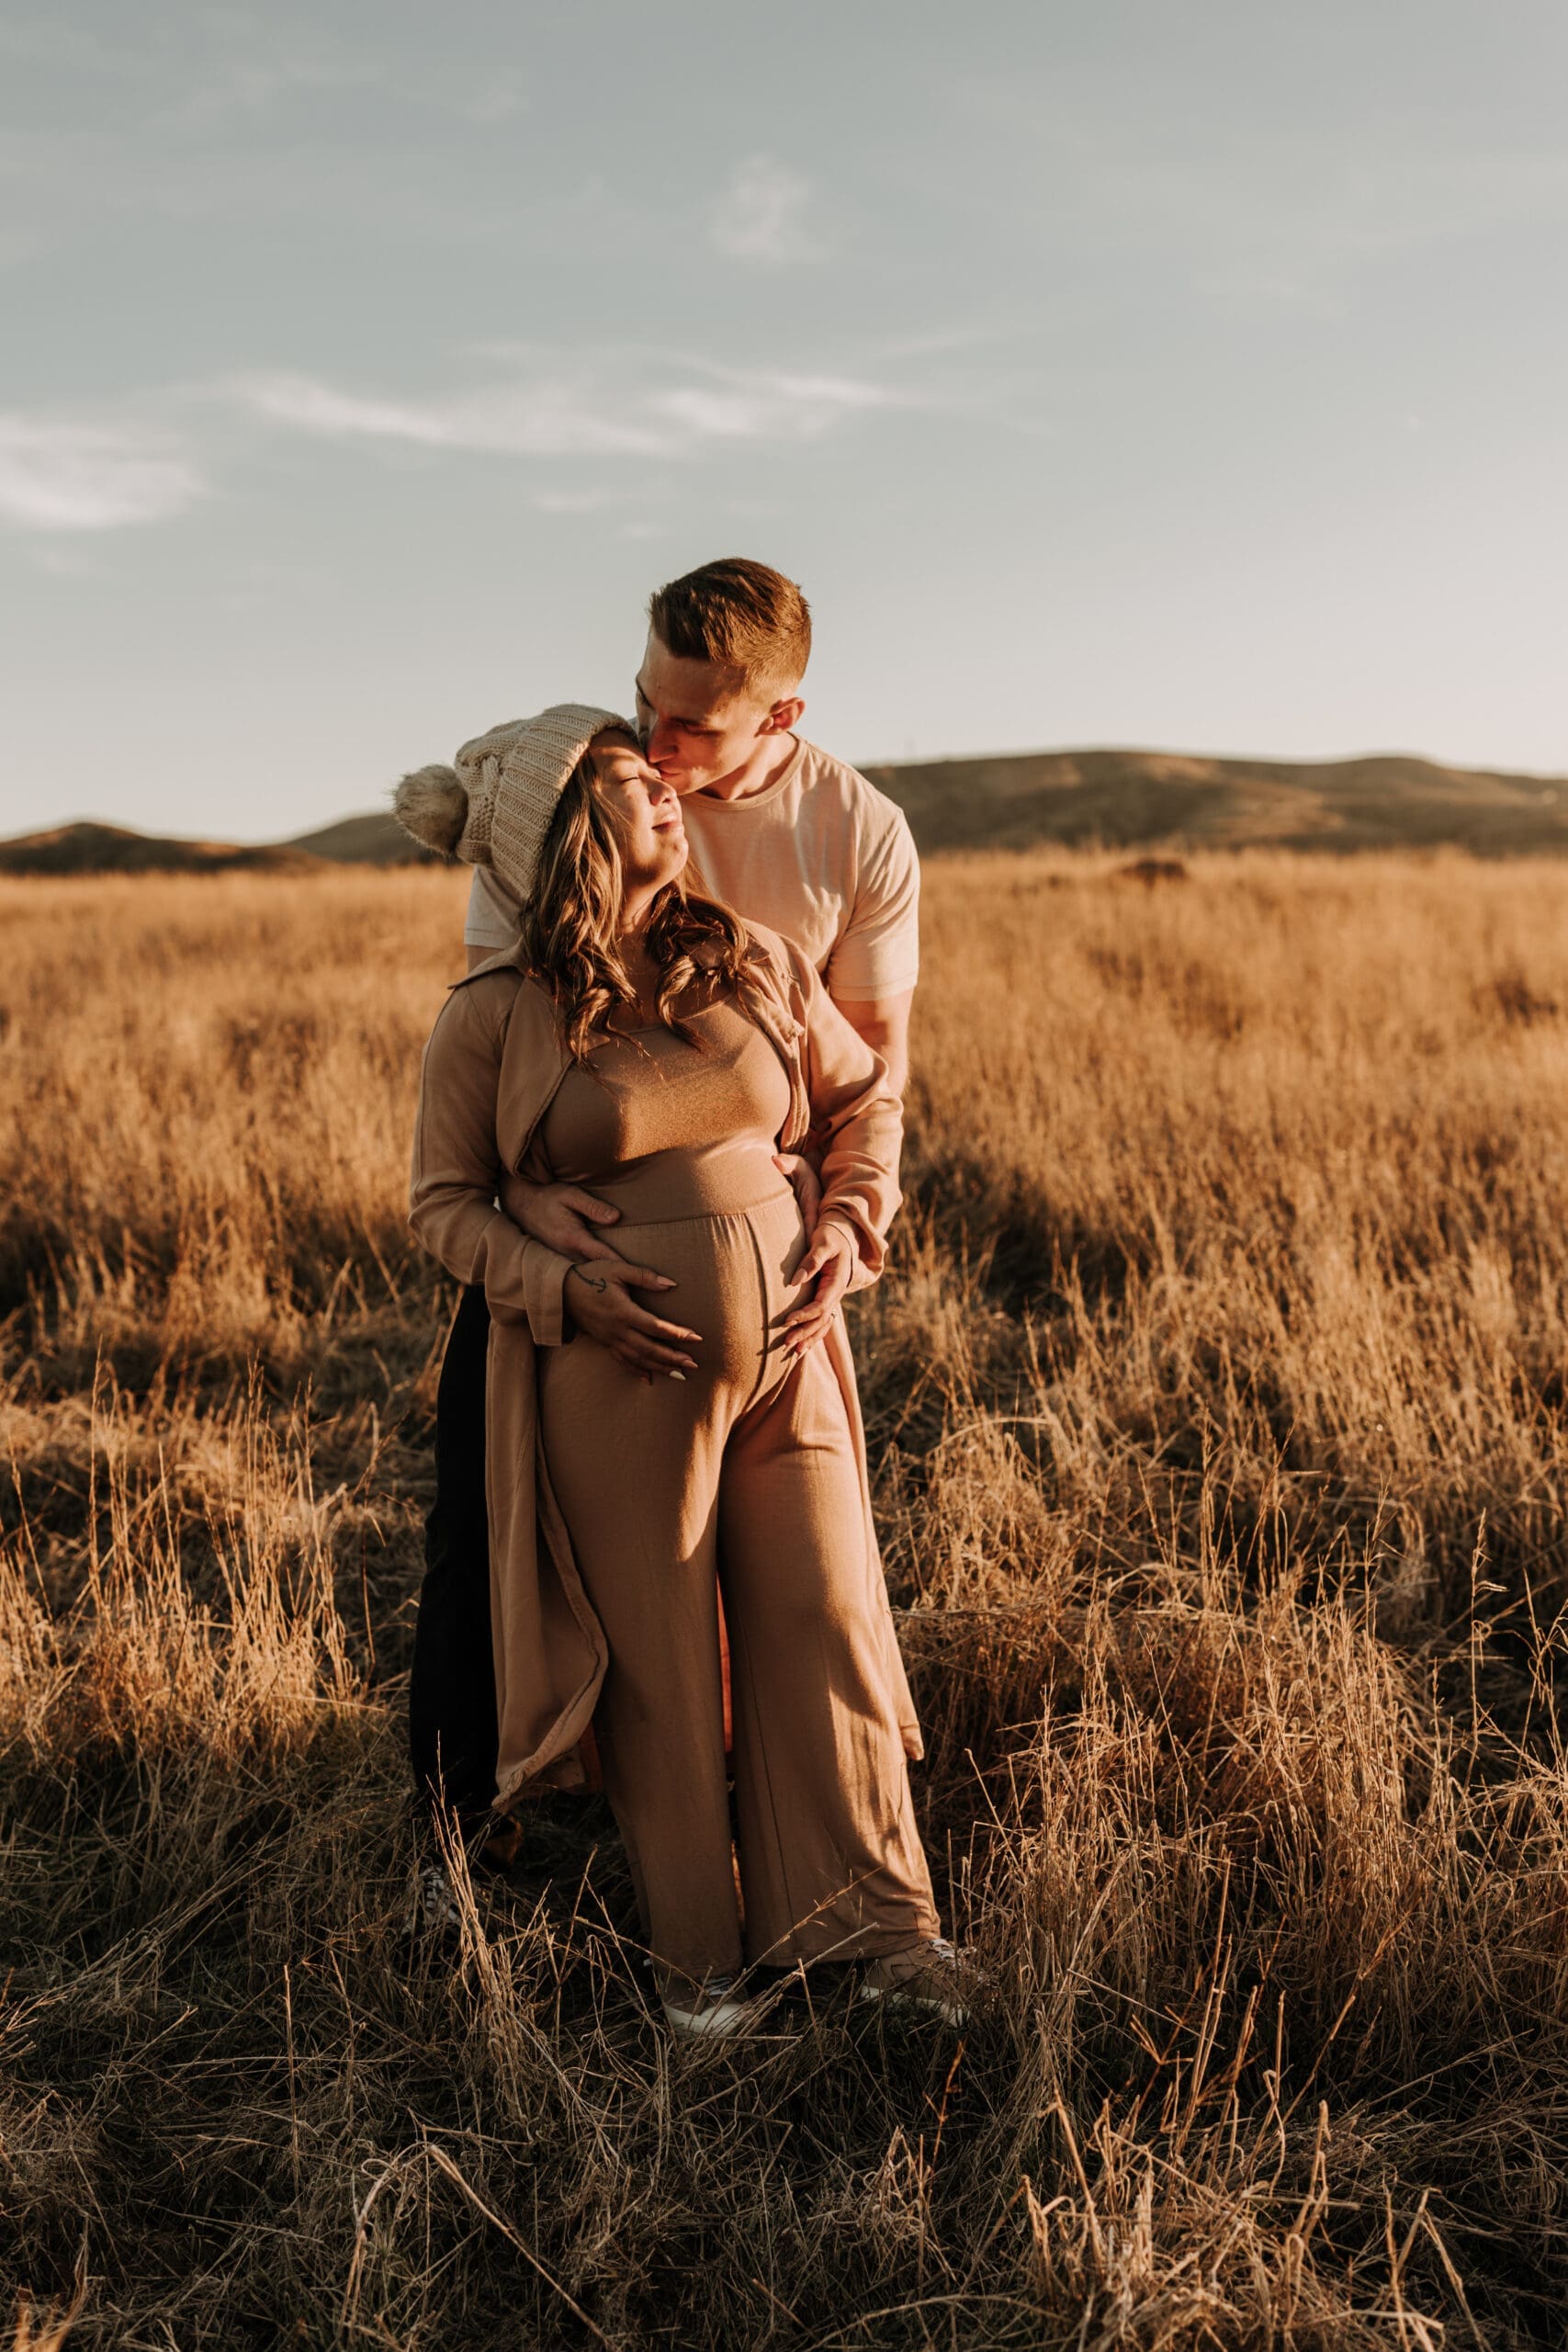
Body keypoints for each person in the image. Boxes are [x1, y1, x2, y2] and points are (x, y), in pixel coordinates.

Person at [402, 706, 961, 2033]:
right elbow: (443, 1206)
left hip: (792, 1356)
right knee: (658, 1663)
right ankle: (703, 1974)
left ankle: (878, 1935)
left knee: (822, 1616)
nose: (660, 782)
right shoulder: (494, 1015)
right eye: (619, 778)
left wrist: (845, 1218)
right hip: (617, 1377)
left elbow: (861, 1095)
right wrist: (564, 1280)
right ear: (561, 832)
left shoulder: (753, 957)